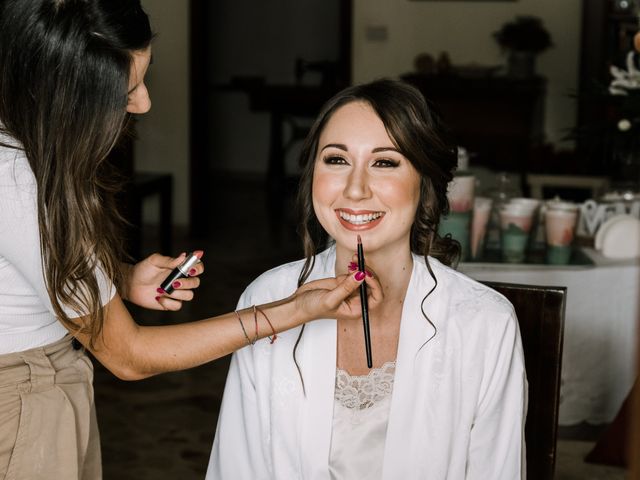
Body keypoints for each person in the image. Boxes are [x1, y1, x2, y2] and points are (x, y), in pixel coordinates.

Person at [0, 1, 382, 479]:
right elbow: (130, 356)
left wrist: (118, 279)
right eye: (124, 91)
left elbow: (27, 269)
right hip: (22, 396)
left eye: (144, 76)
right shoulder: (20, 183)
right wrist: (293, 311)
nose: (143, 103)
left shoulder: (20, 149)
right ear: (62, 95)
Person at [207, 79, 527, 479]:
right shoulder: (268, 298)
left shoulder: (485, 323)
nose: (355, 189)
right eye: (337, 160)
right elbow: (237, 467)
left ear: (425, 182)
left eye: (385, 162)